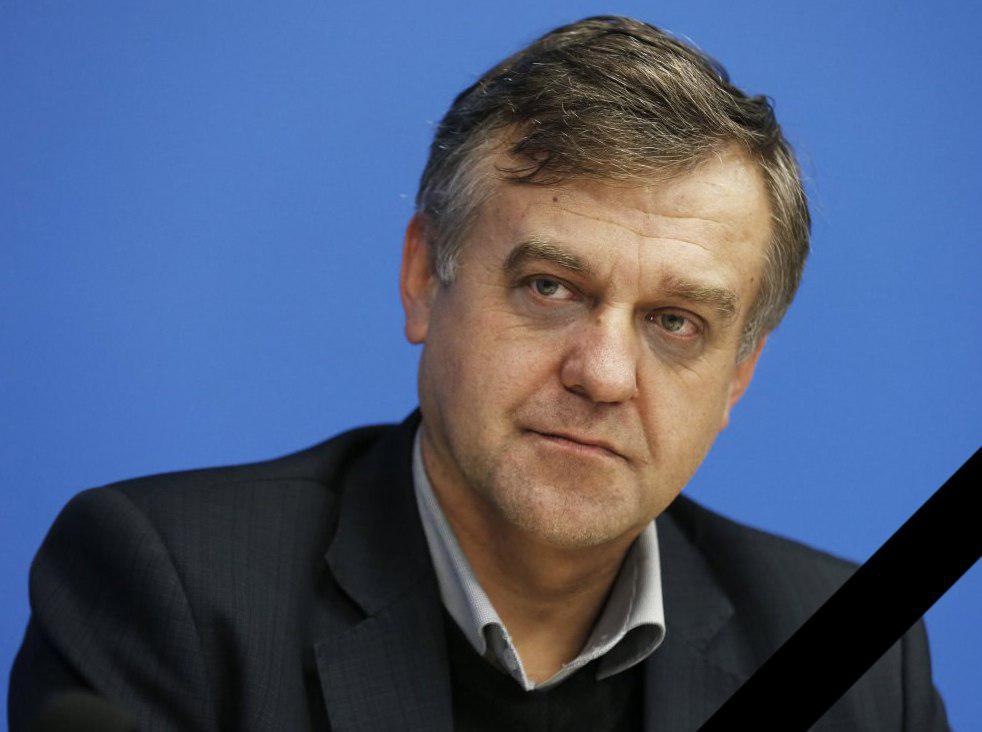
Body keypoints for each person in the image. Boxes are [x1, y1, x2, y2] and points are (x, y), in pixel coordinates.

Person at [9, 15, 949, 731]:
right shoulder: (174, 590)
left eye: (675, 322)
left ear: (738, 374)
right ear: (424, 278)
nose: (604, 374)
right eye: (550, 287)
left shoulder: (863, 665)